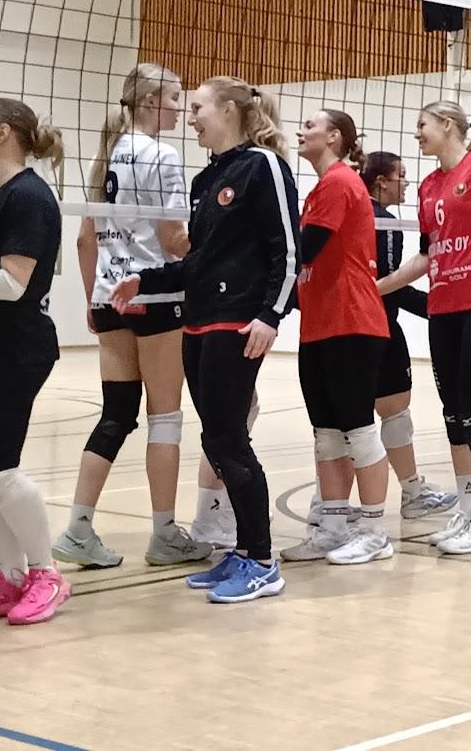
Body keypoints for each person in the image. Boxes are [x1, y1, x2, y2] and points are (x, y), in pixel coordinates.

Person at [113, 76, 299, 602]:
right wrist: (146, 282)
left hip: (236, 323)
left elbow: (288, 248)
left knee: (229, 441)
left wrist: (271, 314)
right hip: (198, 322)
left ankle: (262, 561)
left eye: (198, 108)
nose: (190, 117)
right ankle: (243, 550)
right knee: (216, 440)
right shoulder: (206, 179)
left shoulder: (262, 165)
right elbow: (199, 262)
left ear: (230, 110)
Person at [52, 64, 211, 570]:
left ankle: (78, 528)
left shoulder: (104, 155)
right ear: (148, 101)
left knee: (116, 415)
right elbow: (172, 239)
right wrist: (215, 252)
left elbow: (85, 240)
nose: (181, 107)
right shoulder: (161, 155)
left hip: (109, 298)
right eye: (175, 97)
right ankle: (164, 534)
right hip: (155, 296)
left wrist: (93, 301)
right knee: (165, 417)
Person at [378, 101, 471, 554]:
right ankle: (466, 510)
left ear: (447, 125)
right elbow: (427, 255)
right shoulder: (428, 185)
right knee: (454, 414)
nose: (416, 133)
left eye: (422, 124)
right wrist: (378, 287)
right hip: (443, 308)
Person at [0, 98, 70, 625]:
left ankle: (46, 574)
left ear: (4, 132)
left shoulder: (28, 196)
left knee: (0, 468)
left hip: (16, 348)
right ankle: (10, 578)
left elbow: (12, 284)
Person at [279, 110, 392, 564]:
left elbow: (302, 251)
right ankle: (331, 528)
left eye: (310, 125)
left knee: (358, 429)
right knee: (326, 434)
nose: (300, 131)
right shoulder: (320, 190)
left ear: (333, 137)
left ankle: (375, 531)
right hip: (320, 324)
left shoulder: (340, 182)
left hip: (352, 321)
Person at [360, 151, 458, 519]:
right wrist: (441, 308)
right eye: (401, 175)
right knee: (395, 412)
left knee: (344, 422)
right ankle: (413, 493)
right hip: (379, 328)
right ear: (381, 181)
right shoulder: (383, 221)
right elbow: (387, 285)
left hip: (347, 332)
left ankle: (327, 505)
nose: (406, 182)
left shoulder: (353, 212)